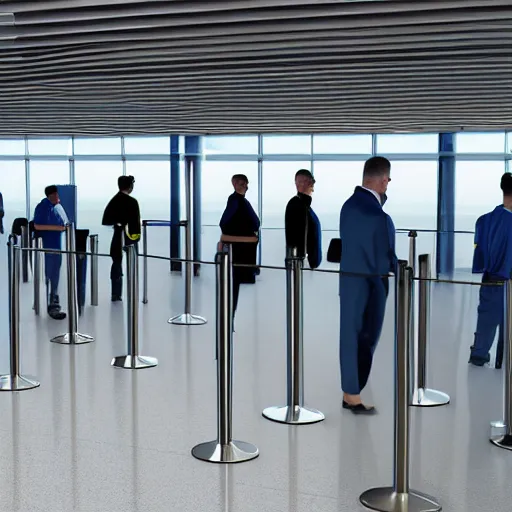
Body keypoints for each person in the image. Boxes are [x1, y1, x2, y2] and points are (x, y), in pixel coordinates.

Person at [338, 157, 396, 414]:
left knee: (350, 335)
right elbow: (384, 254)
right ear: (384, 180)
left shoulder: (348, 206)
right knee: (366, 337)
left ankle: (350, 391)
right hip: (372, 282)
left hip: (350, 280)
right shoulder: (378, 215)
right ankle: (352, 395)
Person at [469, 173, 512, 368]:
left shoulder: (485, 220)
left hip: (491, 278)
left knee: (486, 320)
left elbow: (481, 254)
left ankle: (479, 355)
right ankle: (502, 359)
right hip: (504, 278)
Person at [218, 174, 260, 320]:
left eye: (246, 184)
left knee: (233, 289)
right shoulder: (235, 200)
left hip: (243, 253)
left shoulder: (240, 201)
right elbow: (224, 224)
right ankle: (229, 321)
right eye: (242, 183)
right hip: (237, 253)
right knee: (232, 289)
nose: (245, 186)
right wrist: (246, 238)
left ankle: (230, 320)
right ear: (234, 184)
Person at [102, 175, 141, 301]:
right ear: (130, 186)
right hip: (130, 237)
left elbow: (106, 220)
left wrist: (118, 223)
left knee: (116, 262)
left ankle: (116, 293)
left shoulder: (114, 200)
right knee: (132, 262)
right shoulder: (132, 202)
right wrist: (135, 238)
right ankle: (133, 288)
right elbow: (135, 224)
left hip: (118, 234)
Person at [33, 185, 68, 320]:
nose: (58, 197)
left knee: (56, 273)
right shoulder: (43, 207)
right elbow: (37, 225)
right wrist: (58, 228)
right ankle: (52, 305)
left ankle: (54, 300)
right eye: (56, 195)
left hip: (56, 246)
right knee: (51, 274)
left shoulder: (56, 207)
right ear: (52, 195)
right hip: (49, 246)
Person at [284, 169, 322, 269]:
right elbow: (297, 234)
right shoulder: (297, 204)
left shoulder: (305, 206)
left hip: (304, 262)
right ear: (298, 183)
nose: (312, 184)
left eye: (311, 181)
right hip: (300, 263)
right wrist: (302, 258)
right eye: (309, 181)